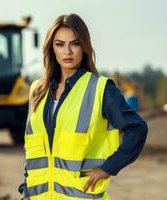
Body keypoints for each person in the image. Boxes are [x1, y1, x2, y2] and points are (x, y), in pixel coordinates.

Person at [18, 14, 148, 200]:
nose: (68, 51)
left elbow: (137, 128)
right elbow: (33, 147)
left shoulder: (100, 89)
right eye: (60, 44)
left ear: (84, 47)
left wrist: (107, 168)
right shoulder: (36, 90)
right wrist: (27, 189)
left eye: (75, 44)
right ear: (51, 48)